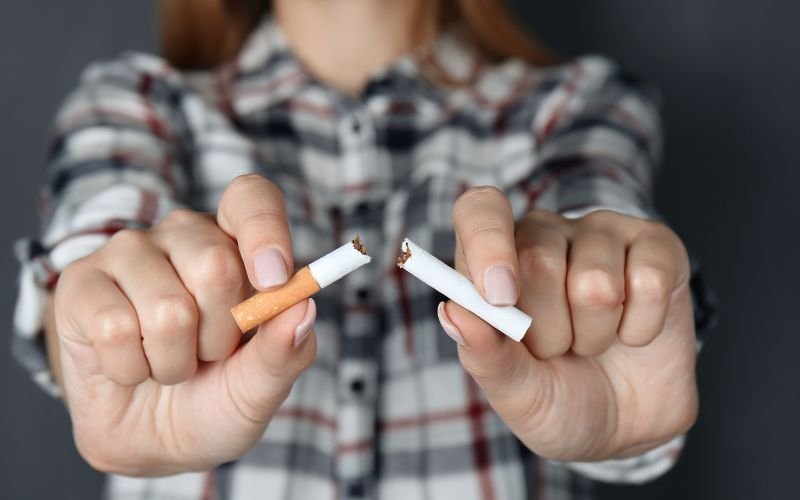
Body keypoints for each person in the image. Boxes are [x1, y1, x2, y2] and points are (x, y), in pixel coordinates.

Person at [12, 0, 705, 498]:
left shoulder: (579, 105)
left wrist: (612, 294)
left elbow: (593, 198)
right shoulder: (136, 102)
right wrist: (105, 326)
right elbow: (99, 230)